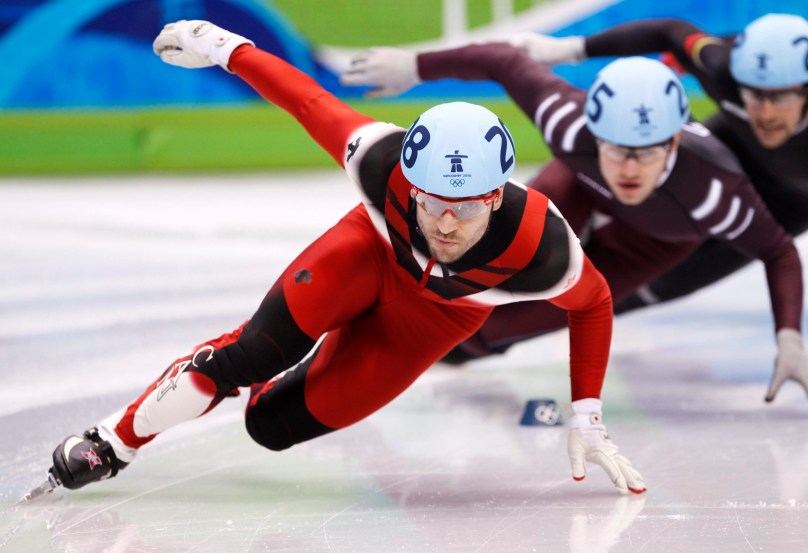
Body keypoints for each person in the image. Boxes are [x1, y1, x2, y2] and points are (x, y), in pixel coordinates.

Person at [32, 19, 646, 501]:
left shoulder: (543, 248)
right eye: (431, 202)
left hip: (436, 320)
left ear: (496, 196)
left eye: (466, 207)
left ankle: (265, 374)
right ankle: (113, 440)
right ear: (409, 179)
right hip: (366, 254)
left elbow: (593, 304)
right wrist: (224, 46)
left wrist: (587, 412)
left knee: (269, 426)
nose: (446, 224)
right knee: (250, 355)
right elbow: (307, 101)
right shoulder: (380, 161)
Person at [339, 40, 808, 416]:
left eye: (644, 153)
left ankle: (449, 349)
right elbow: (505, 62)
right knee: (494, 259)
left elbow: (778, 251)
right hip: (581, 179)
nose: (627, 168)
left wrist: (790, 338)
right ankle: (379, 303)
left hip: (657, 238)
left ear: (673, 145)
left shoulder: (716, 195)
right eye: (615, 147)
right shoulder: (570, 124)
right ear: (593, 132)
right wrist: (415, 66)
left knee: (519, 317)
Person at [498, 15, 808, 324]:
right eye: (753, 93)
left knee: (658, 283)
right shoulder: (723, 69)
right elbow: (670, 31)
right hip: (731, 150)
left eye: (780, 97)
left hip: (796, 198)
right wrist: (567, 50)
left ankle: (489, 337)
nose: (764, 113)